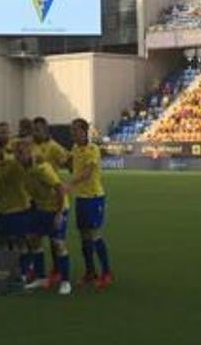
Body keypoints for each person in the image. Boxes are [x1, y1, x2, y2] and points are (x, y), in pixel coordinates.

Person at [18, 142, 72, 295]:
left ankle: (65, 281)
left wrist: (59, 213)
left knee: (58, 244)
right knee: (32, 238)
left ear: (30, 153)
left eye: (21, 153)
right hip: (41, 209)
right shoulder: (24, 170)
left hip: (56, 208)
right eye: (17, 153)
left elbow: (60, 188)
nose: (18, 156)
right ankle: (41, 277)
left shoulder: (42, 169)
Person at [0, 137, 37, 287]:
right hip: (1, 210)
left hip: (19, 208)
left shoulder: (13, 162)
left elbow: (29, 166)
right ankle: (6, 272)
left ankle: (26, 272)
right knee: (2, 243)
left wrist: (24, 151)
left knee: (21, 243)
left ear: (1, 149)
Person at [65, 119, 113, 289]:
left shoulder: (93, 149)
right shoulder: (75, 149)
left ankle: (106, 272)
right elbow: (74, 167)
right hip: (81, 198)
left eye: (76, 131)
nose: (73, 134)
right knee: (84, 235)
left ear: (85, 132)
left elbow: (87, 173)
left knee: (94, 234)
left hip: (94, 197)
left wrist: (69, 184)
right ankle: (90, 272)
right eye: (72, 131)